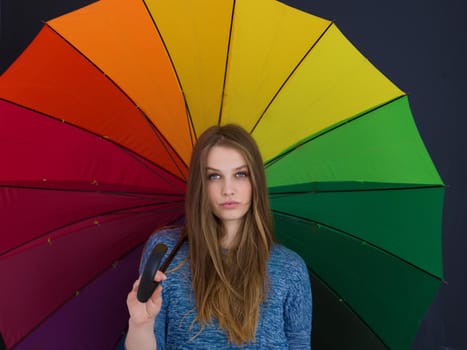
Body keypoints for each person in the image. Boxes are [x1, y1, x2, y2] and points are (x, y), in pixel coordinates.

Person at [125, 124, 312, 349]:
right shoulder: (166, 253)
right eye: (214, 176)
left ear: (256, 182)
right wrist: (140, 325)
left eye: (240, 174)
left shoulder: (290, 269)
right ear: (200, 185)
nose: (228, 189)